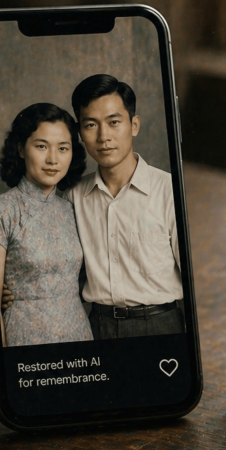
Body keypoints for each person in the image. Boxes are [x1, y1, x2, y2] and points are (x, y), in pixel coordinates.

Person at [65, 74, 185, 340]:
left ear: (134, 125)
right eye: (90, 125)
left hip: (159, 324)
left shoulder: (168, 189)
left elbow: (192, 277)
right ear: (80, 133)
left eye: (114, 122)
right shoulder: (74, 196)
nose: (103, 136)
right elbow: (65, 269)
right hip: (98, 326)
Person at [0, 103, 92, 346]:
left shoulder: (71, 208)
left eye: (63, 148)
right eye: (41, 146)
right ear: (21, 149)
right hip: (25, 337)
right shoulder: (0, 209)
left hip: (78, 334)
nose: (52, 159)